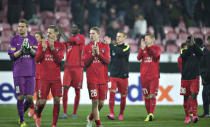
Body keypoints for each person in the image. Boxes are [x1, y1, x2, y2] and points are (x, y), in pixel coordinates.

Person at [8, 19, 38, 127]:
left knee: (30, 98)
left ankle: (21, 112)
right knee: (20, 97)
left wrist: (29, 49)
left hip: (30, 73)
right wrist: (21, 50)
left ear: (27, 27)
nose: (20, 28)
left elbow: (35, 54)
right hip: (18, 73)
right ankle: (21, 120)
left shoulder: (33, 39)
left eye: (22, 26)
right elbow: (11, 56)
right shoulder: (13, 40)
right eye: (19, 26)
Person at [35, 25, 64, 127]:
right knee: (42, 102)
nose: (48, 34)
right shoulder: (42, 44)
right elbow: (37, 59)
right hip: (44, 78)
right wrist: (43, 50)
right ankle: (38, 114)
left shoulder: (60, 46)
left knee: (57, 100)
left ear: (56, 34)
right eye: (47, 32)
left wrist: (52, 49)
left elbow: (59, 60)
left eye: (50, 32)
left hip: (56, 79)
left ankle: (54, 124)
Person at [58, 24, 85, 119]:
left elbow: (67, 40)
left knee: (77, 91)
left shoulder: (81, 38)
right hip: (68, 68)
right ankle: (64, 113)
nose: (73, 28)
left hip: (78, 68)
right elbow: (60, 45)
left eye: (75, 27)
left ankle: (74, 113)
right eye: (72, 27)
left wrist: (61, 32)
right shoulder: (69, 40)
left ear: (78, 29)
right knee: (65, 90)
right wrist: (58, 35)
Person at [85, 27, 110, 127]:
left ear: (99, 35)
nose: (91, 35)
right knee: (95, 101)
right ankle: (98, 124)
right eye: (90, 33)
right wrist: (92, 54)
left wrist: (99, 54)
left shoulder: (105, 46)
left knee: (101, 103)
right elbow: (85, 62)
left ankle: (90, 117)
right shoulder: (87, 47)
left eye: (93, 33)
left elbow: (107, 61)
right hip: (92, 78)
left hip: (103, 78)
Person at [104, 31, 130, 120]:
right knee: (111, 94)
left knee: (123, 96)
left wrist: (110, 44)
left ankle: (121, 114)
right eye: (117, 36)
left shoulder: (127, 47)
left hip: (123, 76)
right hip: (113, 75)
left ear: (124, 38)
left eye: (120, 36)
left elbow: (120, 53)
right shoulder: (113, 47)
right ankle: (111, 113)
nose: (118, 38)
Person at [137, 34, 162, 121]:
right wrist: (142, 48)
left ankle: (151, 113)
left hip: (154, 76)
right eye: (145, 39)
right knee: (146, 96)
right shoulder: (143, 49)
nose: (146, 40)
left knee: (152, 95)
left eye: (147, 39)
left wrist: (146, 48)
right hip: (144, 76)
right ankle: (149, 114)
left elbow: (155, 56)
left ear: (152, 39)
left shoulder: (157, 48)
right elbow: (138, 58)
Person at [180, 36, 203, 123]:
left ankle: (194, 115)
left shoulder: (197, 51)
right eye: (188, 42)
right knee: (185, 98)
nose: (189, 43)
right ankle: (187, 117)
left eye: (190, 42)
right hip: (185, 78)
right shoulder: (184, 51)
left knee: (194, 95)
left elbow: (201, 54)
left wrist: (194, 45)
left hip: (195, 77)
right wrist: (191, 46)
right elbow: (184, 56)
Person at [28, 32, 45, 119]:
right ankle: (32, 107)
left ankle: (36, 111)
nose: (35, 38)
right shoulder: (31, 47)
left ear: (41, 39)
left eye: (37, 37)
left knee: (38, 96)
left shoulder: (43, 47)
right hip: (31, 73)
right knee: (29, 94)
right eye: (35, 37)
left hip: (40, 74)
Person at [199, 38, 210, 118]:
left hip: (206, 76)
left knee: (205, 94)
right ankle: (206, 112)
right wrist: (203, 76)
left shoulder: (205, 51)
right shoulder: (204, 51)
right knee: (205, 94)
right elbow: (201, 65)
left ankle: (206, 112)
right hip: (206, 77)